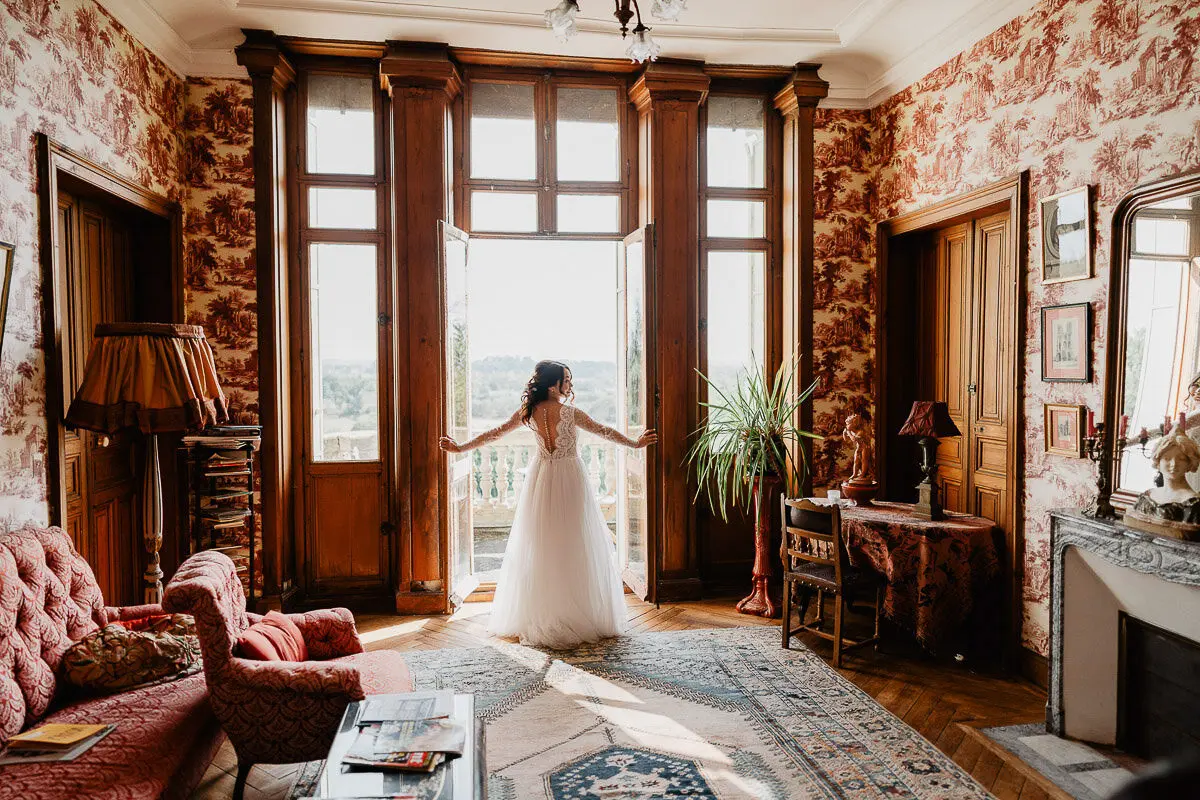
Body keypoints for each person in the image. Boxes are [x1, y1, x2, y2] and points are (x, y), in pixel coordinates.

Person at [439, 360, 657, 648]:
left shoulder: (529, 412)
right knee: (575, 542)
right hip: (569, 478)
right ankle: (575, 610)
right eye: (566, 379)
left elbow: (495, 433)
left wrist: (460, 448)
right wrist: (635, 444)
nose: (570, 385)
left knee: (541, 544)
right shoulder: (569, 413)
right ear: (554, 384)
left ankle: (547, 611)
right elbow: (604, 431)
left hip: (542, 479)